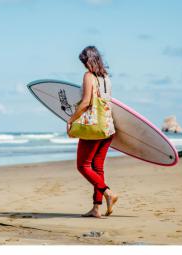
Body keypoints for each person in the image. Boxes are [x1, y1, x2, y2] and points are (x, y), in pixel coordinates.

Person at [66, 46, 118, 218]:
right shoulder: (106, 77)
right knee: (97, 167)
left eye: (84, 61)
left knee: (83, 166)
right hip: (108, 127)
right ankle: (96, 209)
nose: (83, 65)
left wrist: (71, 120)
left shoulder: (89, 76)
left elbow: (87, 103)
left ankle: (107, 193)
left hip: (94, 127)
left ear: (89, 60)